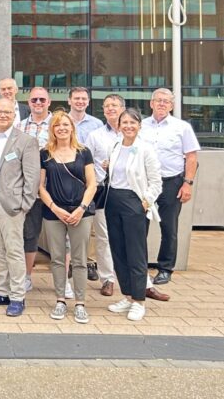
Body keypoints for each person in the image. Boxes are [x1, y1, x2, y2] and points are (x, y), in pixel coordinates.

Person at [0, 98, 40, 318]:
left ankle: (17, 296)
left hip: (10, 207)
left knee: (14, 252)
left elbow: (32, 178)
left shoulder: (25, 141)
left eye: (7, 112)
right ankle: (2, 291)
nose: (2, 115)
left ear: (14, 115)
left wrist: (24, 205)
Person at [38, 111, 97, 324]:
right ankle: (60, 299)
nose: (62, 128)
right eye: (57, 125)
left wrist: (81, 208)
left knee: (80, 259)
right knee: (57, 258)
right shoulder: (45, 153)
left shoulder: (84, 152)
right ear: (52, 129)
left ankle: (80, 303)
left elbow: (92, 183)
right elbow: (40, 187)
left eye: (65, 124)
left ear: (72, 127)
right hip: (54, 213)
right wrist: (54, 208)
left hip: (81, 212)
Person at [105, 108, 163, 322]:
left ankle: (139, 300)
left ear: (139, 125)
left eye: (133, 122)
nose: (128, 126)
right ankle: (128, 296)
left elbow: (157, 180)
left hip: (134, 202)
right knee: (118, 252)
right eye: (124, 123)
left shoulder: (145, 149)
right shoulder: (116, 146)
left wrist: (145, 202)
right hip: (113, 201)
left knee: (136, 253)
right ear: (118, 126)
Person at [141, 88, 200, 286]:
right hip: (145, 184)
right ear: (151, 103)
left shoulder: (182, 127)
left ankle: (165, 268)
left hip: (171, 182)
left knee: (169, 227)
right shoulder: (140, 126)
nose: (162, 104)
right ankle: (139, 267)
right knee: (140, 225)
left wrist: (187, 183)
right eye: (158, 100)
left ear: (172, 105)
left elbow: (191, 157)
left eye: (166, 101)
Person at [82, 94, 125, 298]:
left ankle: (133, 277)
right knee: (103, 236)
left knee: (130, 236)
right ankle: (108, 278)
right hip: (103, 190)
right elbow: (87, 164)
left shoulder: (133, 132)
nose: (110, 109)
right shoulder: (95, 135)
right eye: (107, 106)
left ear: (122, 108)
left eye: (114, 105)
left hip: (129, 191)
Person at [17, 86, 52, 292]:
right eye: (34, 100)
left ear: (49, 102)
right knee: (29, 234)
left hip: (54, 189)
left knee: (61, 237)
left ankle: (63, 280)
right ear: (28, 103)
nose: (38, 103)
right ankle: (27, 276)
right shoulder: (19, 127)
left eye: (41, 100)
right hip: (30, 191)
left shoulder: (58, 125)